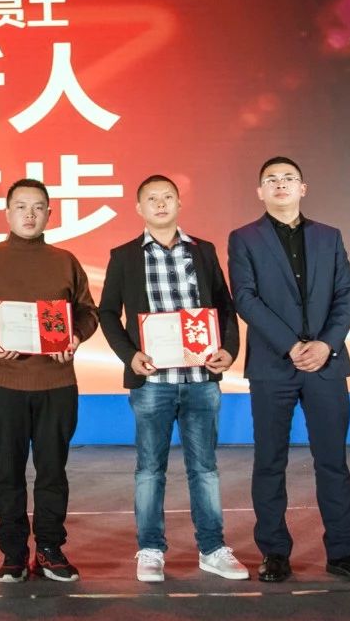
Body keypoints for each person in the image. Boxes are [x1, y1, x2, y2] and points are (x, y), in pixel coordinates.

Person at [228, 156, 350, 584]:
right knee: (269, 462)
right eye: (271, 180)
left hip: (325, 365)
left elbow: (346, 294)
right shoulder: (244, 238)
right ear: (260, 191)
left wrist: (326, 344)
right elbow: (245, 298)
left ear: (303, 188)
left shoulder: (329, 236)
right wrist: (292, 345)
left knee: (333, 461)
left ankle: (344, 552)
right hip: (272, 365)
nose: (280, 184)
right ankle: (274, 552)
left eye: (288, 178)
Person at [97, 175, 248, 583]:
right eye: (152, 198)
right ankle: (150, 550)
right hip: (152, 382)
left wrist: (229, 350)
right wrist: (130, 356)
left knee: (205, 469)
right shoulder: (124, 256)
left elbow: (225, 306)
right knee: (149, 470)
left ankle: (212, 549)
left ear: (180, 203)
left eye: (168, 197)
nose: (161, 204)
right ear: (139, 208)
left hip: (201, 377)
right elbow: (107, 312)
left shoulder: (203, 250)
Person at [0, 179, 98, 583]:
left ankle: (49, 549)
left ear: (49, 213)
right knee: (8, 472)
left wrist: (76, 336)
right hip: (4, 384)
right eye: (21, 206)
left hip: (56, 383)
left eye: (37, 207)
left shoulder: (65, 261)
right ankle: (13, 553)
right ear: (7, 212)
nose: (29, 215)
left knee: (53, 472)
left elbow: (88, 312)